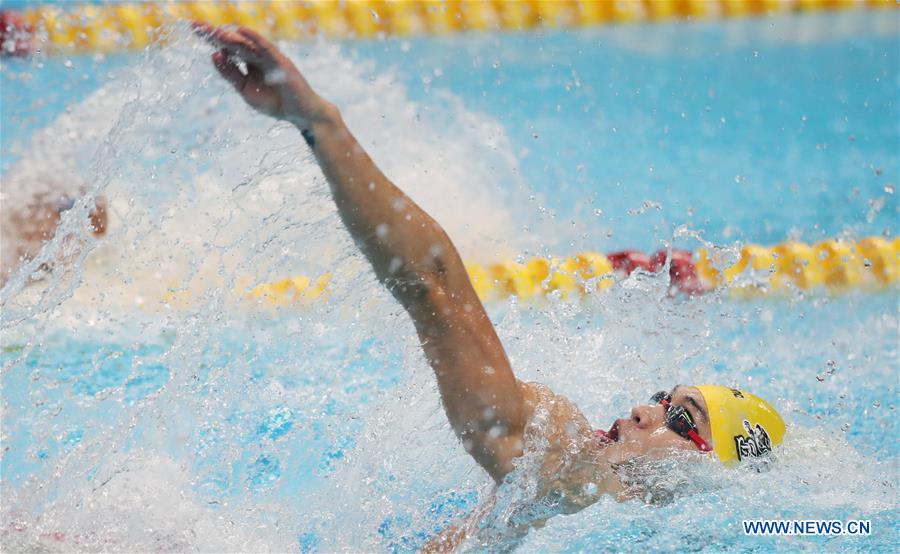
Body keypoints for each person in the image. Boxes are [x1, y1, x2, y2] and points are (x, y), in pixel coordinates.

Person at [195, 24, 786, 550]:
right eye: (662, 396)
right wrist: (320, 125)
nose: (643, 409)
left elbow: (433, 288)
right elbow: (434, 287)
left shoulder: (589, 490)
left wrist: (322, 124)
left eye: (681, 419)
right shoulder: (568, 460)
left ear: (707, 469)